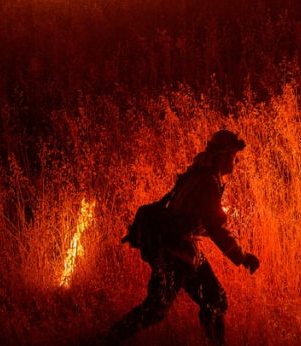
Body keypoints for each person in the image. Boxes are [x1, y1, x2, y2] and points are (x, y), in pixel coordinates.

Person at [106, 129, 260, 345]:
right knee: (157, 308)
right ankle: (107, 340)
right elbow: (214, 228)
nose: (236, 162)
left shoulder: (199, 174)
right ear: (223, 156)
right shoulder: (207, 182)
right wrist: (242, 256)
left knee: (213, 300)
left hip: (186, 252)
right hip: (176, 254)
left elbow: (197, 221)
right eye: (234, 156)